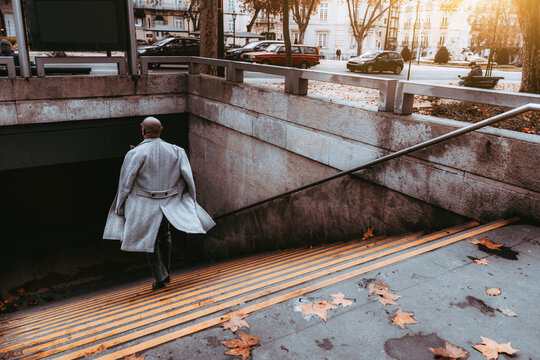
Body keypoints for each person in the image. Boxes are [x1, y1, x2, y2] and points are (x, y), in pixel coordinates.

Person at [103, 117, 215, 291]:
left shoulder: (135, 154)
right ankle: (166, 272)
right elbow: (188, 179)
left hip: (144, 203)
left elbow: (125, 183)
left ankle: (160, 278)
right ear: (161, 130)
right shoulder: (177, 151)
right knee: (165, 236)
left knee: (149, 241)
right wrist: (191, 202)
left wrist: (120, 205)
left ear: (143, 131)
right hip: (170, 201)